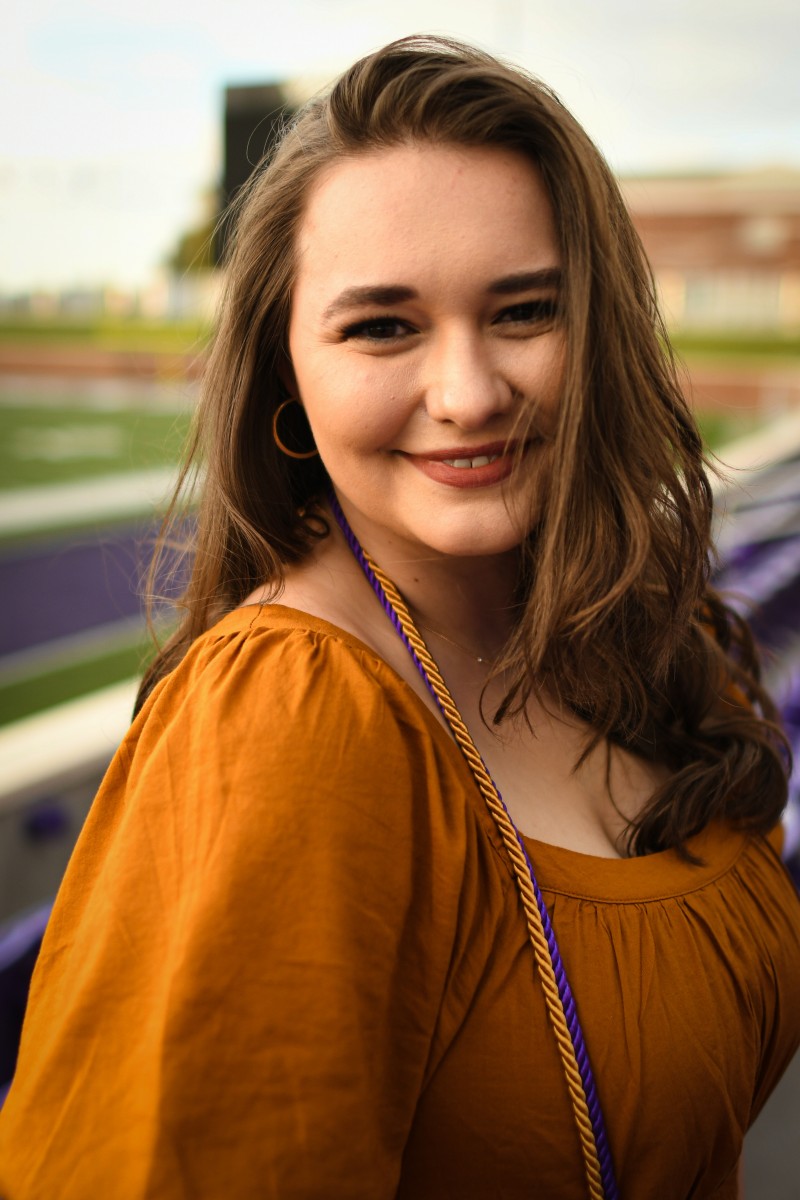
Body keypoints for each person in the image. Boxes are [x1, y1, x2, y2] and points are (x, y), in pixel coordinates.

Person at [0, 35, 798, 1200]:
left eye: (523, 311)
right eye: (381, 326)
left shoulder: (639, 633)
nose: (467, 395)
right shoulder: (286, 719)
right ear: (285, 367)